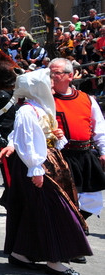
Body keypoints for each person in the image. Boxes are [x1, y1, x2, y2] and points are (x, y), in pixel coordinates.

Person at [0, 67, 91, 275]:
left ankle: (20, 253)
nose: (51, 86)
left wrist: (57, 135)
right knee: (53, 209)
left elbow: (42, 136)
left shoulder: (41, 108)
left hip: (49, 161)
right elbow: (27, 140)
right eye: (47, 83)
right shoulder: (27, 110)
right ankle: (54, 259)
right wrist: (35, 168)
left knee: (36, 210)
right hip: (38, 165)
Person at [49, 58, 105, 227]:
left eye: (57, 73)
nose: (52, 76)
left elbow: (100, 128)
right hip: (60, 157)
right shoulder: (44, 100)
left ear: (70, 76)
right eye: (50, 72)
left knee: (93, 199)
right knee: (65, 199)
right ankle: (71, 236)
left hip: (85, 155)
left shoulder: (86, 99)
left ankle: (75, 227)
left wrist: (103, 152)